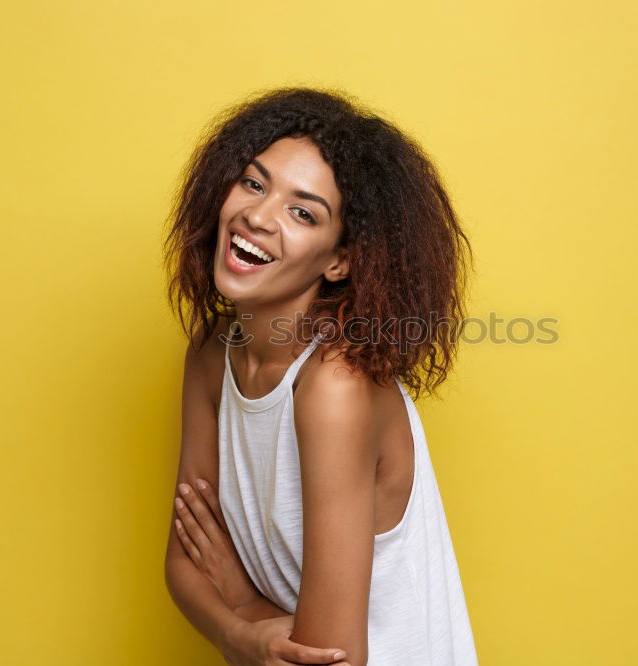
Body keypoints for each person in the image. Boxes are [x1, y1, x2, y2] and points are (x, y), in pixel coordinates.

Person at [162, 86, 478, 665]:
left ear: (340, 261)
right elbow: (186, 559)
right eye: (254, 183)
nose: (257, 215)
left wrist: (239, 603)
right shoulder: (212, 353)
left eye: (302, 212)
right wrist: (238, 635)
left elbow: (330, 659)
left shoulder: (336, 385)